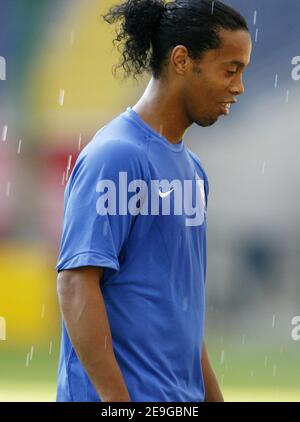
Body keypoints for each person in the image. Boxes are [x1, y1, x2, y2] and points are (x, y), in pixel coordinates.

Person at [56, 0, 252, 402]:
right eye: (230, 70)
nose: (238, 86)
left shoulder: (193, 171)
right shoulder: (116, 156)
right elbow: (76, 284)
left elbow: (182, 314)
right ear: (182, 60)